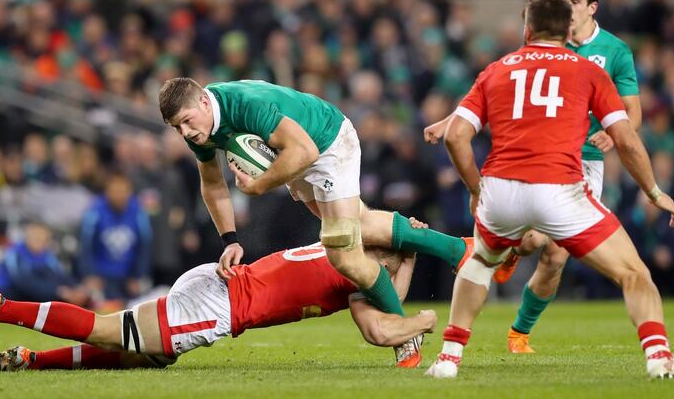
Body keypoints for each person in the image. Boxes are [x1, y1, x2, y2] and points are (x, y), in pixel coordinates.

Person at [424, 0, 674, 380]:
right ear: (567, 29)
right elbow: (626, 139)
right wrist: (654, 192)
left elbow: (455, 136)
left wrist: (476, 190)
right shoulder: (589, 71)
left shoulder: (496, 69)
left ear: (528, 29)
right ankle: (659, 358)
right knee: (634, 273)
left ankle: (448, 359)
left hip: (500, 190)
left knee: (479, 264)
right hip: (558, 189)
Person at [0, 213, 474, 371]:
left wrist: (407, 253)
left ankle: (33, 362)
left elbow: (383, 304)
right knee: (111, 330)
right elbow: (383, 323)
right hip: (220, 305)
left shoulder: (344, 254)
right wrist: (427, 324)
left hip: (213, 284)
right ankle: (0, 306)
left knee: (149, 358)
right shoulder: (356, 271)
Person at [424, 0, 644, 354]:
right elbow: (500, 87)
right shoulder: (547, 43)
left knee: (555, 255)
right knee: (533, 240)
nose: (567, 8)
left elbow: (632, 113)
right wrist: (450, 120)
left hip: (583, 160)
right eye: (562, 1)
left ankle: (519, 331)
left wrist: (613, 135)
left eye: (574, 1)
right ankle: (511, 248)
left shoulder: (615, 52)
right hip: (535, 156)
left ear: (592, 8)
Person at [157, 78, 460, 320]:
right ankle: (458, 249)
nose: (184, 132)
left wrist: (260, 184)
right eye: (176, 127)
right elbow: (212, 184)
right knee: (362, 226)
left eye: (186, 121)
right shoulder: (200, 128)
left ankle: (401, 328)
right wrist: (231, 240)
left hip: (326, 141)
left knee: (342, 250)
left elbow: (306, 152)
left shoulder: (246, 105)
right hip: (295, 153)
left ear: (203, 101)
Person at [79, 171, 152, 300]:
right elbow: (85, 244)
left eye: (123, 191)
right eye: (114, 191)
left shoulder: (138, 211)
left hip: (128, 278)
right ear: (107, 191)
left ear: (129, 191)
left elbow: (145, 244)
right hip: (101, 279)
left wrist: (138, 276)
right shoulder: (94, 211)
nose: (119, 195)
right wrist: (90, 274)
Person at [0, 221, 88, 306]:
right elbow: (25, 283)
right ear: (28, 237)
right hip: (5, 297)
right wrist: (59, 292)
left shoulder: (47, 255)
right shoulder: (15, 253)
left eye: (44, 239)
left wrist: (76, 289)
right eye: (37, 238)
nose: (40, 242)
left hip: (32, 296)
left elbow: (61, 276)